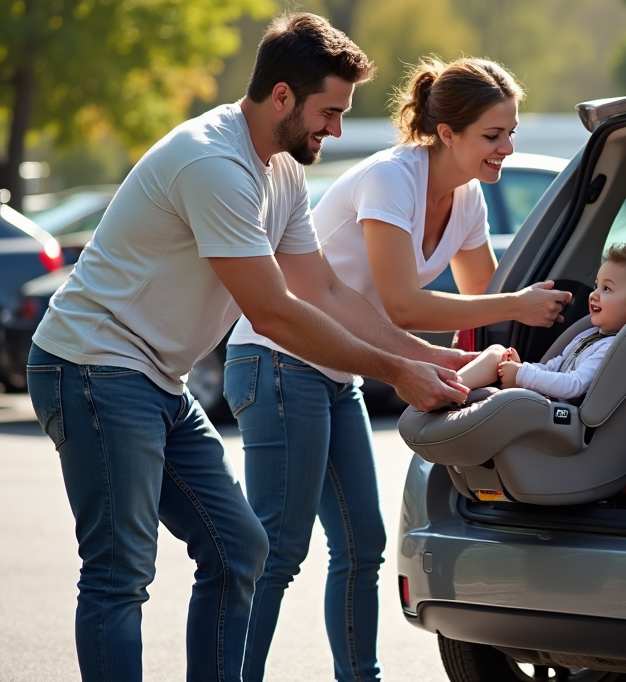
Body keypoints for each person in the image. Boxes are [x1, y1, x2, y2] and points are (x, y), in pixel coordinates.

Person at [26, 12, 470, 682]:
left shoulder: (281, 170)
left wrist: (430, 360)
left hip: (154, 380)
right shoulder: (215, 162)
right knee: (120, 572)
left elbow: (322, 287)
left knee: (239, 547)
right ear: (282, 96)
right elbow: (274, 313)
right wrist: (394, 372)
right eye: (329, 111)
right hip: (92, 367)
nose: (337, 129)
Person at [225, 56, 572, 682]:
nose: (508, 147)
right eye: (494, 135)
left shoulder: (466, 199)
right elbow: (403, 302)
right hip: (277, 364)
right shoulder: (394, 179)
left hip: (339, 371)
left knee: (363, 547)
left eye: (511, 132)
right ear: (447, 133)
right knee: (277, 551)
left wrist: (528, 349)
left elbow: (480, 300)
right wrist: (517, 303)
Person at [458, 243, 626, 401]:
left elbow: (574, 385)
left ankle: (447, 391)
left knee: (496, 358)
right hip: (544, 401)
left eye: (607, 289)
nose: (594, 294)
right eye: (596, 285)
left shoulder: (611, 348)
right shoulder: (590, 335)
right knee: (498, 352)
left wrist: (522, 374)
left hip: (557, 415)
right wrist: (524, 367)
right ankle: (450, 389)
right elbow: (556, 366)